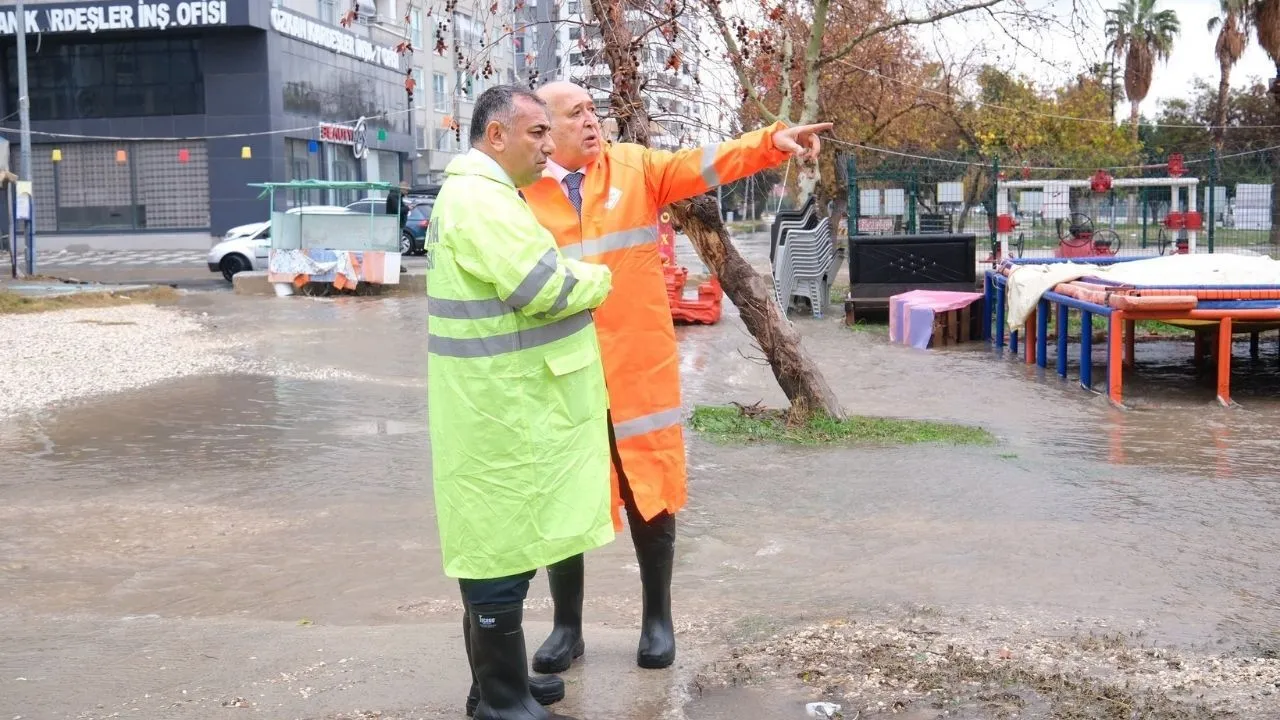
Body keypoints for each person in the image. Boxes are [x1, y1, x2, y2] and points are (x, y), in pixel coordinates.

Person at [522, 80, 832, 672]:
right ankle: (568, 627)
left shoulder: (635, 169)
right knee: (565, 495)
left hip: (639, 368)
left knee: (652, 493)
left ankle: (657, 619)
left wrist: (774, 141)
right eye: (575, 114)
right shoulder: (522, 193)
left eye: (594, 110)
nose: (593, 121)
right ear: (544, 131)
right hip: (561, 371)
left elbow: (704, 165)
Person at [426, 84, 615, 720]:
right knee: (496, 553)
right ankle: (501, 701)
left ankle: (495, 684)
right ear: (497, 136)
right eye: (536, 132)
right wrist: (599, 278)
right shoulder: (481, 199)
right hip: (500, 409)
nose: (547, 144)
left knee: (504, 542)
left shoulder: (485, 195)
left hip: (501, 402)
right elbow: (542, 284)